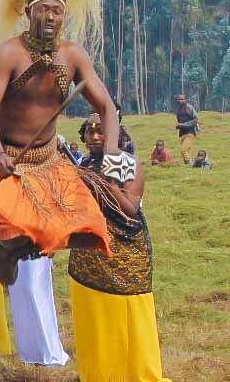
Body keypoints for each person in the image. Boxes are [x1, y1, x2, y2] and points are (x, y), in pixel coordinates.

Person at [0, 0, 129, 284]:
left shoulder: (73, 55)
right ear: (28, 12)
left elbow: (107, 108)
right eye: (44, 9)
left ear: (64, 16)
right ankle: (3, 244)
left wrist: (113, 158)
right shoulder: (8, 54)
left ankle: (15, 248)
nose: (51, 16)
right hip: (4, 156)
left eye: (57, 10)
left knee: (88, 228)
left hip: (48, 159)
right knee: (18, 225)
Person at [69, 113, 170, 381]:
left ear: (115, 135)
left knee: (126, 322)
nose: (94, 136)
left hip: (124, 256)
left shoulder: (129, 163)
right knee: (95, 323)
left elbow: (130, 209)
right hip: (88, 259)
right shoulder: (85, 163)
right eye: (89, 132)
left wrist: (108, 179)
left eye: (101, 131)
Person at [175, 94, 199, 164]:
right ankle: (187, 167)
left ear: (186, 100)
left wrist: (183, 124)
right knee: (186, 151)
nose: (180, 101)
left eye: (182, 99)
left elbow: (195, 120)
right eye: (179, 99)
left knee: (183, 150)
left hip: (190, 132)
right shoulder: (178, 109)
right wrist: (178, 126)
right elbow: (179, 121)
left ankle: (190, 164)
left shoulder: (189, 108)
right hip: (182, 133)